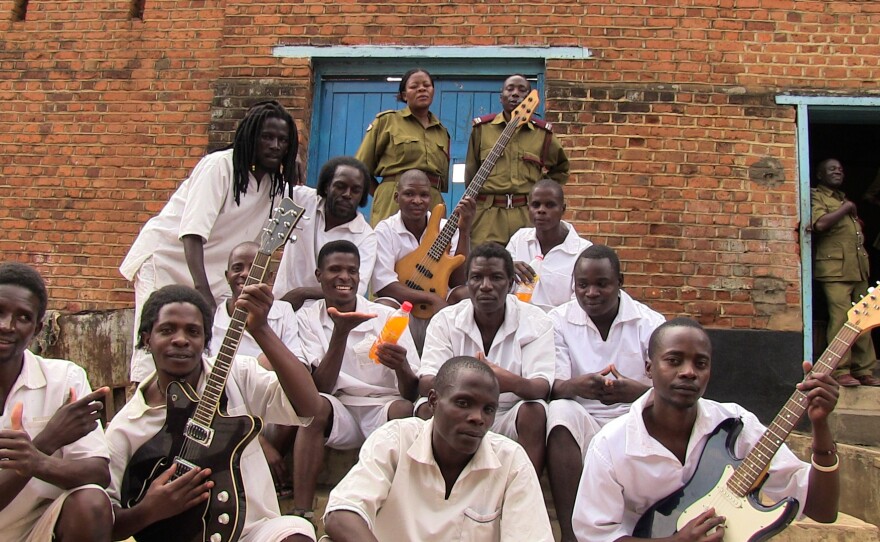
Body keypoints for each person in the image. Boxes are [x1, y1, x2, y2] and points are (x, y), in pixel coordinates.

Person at [571, 318, 841, 541]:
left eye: (700, 364)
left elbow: (822, 510)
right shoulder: (610, 444)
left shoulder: (737, 424)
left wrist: (819, 425)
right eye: (674, 361)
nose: (689, 372)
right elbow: (596, 536)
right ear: (649, 369)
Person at [106, 284, 322, 542]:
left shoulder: (237, 376)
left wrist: (261, 329)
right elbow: (104, 523)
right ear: (146, 339)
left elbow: (309, 408)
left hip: (254, 533)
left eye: (193, 332)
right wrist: (148, 510)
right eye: (167, 330)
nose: (181, 339)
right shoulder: (127, 427)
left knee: (296, 535)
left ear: (205, 341)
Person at [121, 100, 299, 384]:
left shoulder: (275, 187)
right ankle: (147, 406)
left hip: (215, 273)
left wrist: (292, 176)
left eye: (283, 140)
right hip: (170, 260)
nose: (275, 145)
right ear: (250, 136)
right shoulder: (219, 166)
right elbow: (192, 233)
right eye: (267, 137)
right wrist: (203, 291)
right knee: (160, 338)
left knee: (200, 346)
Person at [323, 356, 554, 542]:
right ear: (433, 401)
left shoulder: (511, 461)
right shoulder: (396, 440)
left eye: (489, 409)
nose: (478, 418)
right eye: (463, 403)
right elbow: (341, 515)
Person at [291, 240, 421, 522]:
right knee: (314, 408)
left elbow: (411, 391)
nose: (344, 277)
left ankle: (397, 513)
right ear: (318, 276)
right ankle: (301, 510)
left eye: (352, 270)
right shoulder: (307, 318)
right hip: (340, 408)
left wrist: (401, 366)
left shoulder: (387, 316)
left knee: (403, 412)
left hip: (382, 408)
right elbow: (320, 388)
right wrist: (340, 333)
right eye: (335, 270)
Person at [545, 244, 665, 542]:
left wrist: (635, 392)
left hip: (632, 418)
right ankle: (571, 534)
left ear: (620, 282)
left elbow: (668, 387)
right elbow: (553, 385)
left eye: (602, 284)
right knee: (559, 412)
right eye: (583, 285)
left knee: (658, 412)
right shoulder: (557, 320)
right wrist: (577, 386)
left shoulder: (649, 323)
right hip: (583, 417)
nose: (591, 293)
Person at [418, 243, 555, 473]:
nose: (486, 286)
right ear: (467, 283)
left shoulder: (535, 320)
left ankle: (523, 493)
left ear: (511, 283)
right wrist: (471, 385)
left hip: (508, 412)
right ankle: (434, 490)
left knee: (535, 410)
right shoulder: (446, 320)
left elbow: (541, 386)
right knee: (426, 407)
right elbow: (426, 382)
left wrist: (505, 381)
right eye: (476, 278)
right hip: (458, 411)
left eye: (496, 278)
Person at [0, 262, 113, 542]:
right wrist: (48, 440)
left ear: (37, 329)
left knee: (91, 503)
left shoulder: (64, 379)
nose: (7, 326)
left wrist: (36, 461)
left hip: (36, 532)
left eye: (23, 317)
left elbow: (98, 474)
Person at [211, 241, 304, 495]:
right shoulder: (213, 318)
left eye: (254, 267)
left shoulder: (283, 312)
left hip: (267, 405)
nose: (245, 273)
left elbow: (295, 362)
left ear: (270, 275)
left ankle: (261, 478)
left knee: (294, 400)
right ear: (227, 275)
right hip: (226, 410)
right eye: (237, 267)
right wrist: (260, 442)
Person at [371, 169, 476, 349]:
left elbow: (458, 280)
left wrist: (464, 230)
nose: (417, 201)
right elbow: (384, 286)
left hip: (442, 302)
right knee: (384, 306)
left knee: (467, 294)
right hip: (404, 304)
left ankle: (460, 354)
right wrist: (430, 298)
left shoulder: (446, 228)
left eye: (424, 195)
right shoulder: (385, 230)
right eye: (409, 194)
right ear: (397, 197)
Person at [464, 74, 569, 247]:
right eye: (510, 89)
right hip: (488, 216)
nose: (515, 94)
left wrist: (540, 189)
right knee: (485, 264)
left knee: (528, 266)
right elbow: (470, 173)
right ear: (501, 96)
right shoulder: (482, 129)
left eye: (522, 90)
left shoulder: (542, 134)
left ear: (530, 97)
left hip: (526, 213)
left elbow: (562, 168)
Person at [272, 156, 377, 311]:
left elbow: (356, 289)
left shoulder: (366, 236)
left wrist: (302, 293)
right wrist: (289, 155)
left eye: (356, 190)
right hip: (282, 306)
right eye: (340, 186)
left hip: (326, 319)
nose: (347, 194)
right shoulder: (303, 200)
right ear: (327, 186)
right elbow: (267, 186)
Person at [811, 158, 879, 387]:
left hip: (857, 268)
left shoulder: (842, 198)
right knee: (841, 320)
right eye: (831, 169)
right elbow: (819, 224)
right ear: (820, 175)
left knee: (865, 319)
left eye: (840, 169)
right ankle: (840, 370)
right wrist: (847, 209)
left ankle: (864, 370)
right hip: (834, 269)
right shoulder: (816, 196)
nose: (838, 171)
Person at [355, 68, 451, 227]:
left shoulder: (442, 132)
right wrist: (386, 192)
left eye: (427, 85)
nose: (422, 89)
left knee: (431, 250)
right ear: (404, 95)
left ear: (433, 91)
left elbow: (442, 182)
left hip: (432, 203)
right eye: (414, 86)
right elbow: (360, 168)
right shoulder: (387, 121)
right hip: (394, 200)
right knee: (388, 249)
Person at [506, 179, 592, 311]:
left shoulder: (583, 251)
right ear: (528, 208)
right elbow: (502, 289)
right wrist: (506, 268)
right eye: (536, 205)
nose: (541, 210)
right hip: (518, 323)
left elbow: (579, 305)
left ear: (563, 209)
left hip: (559, 328)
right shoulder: (519, 240)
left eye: (550, 205)